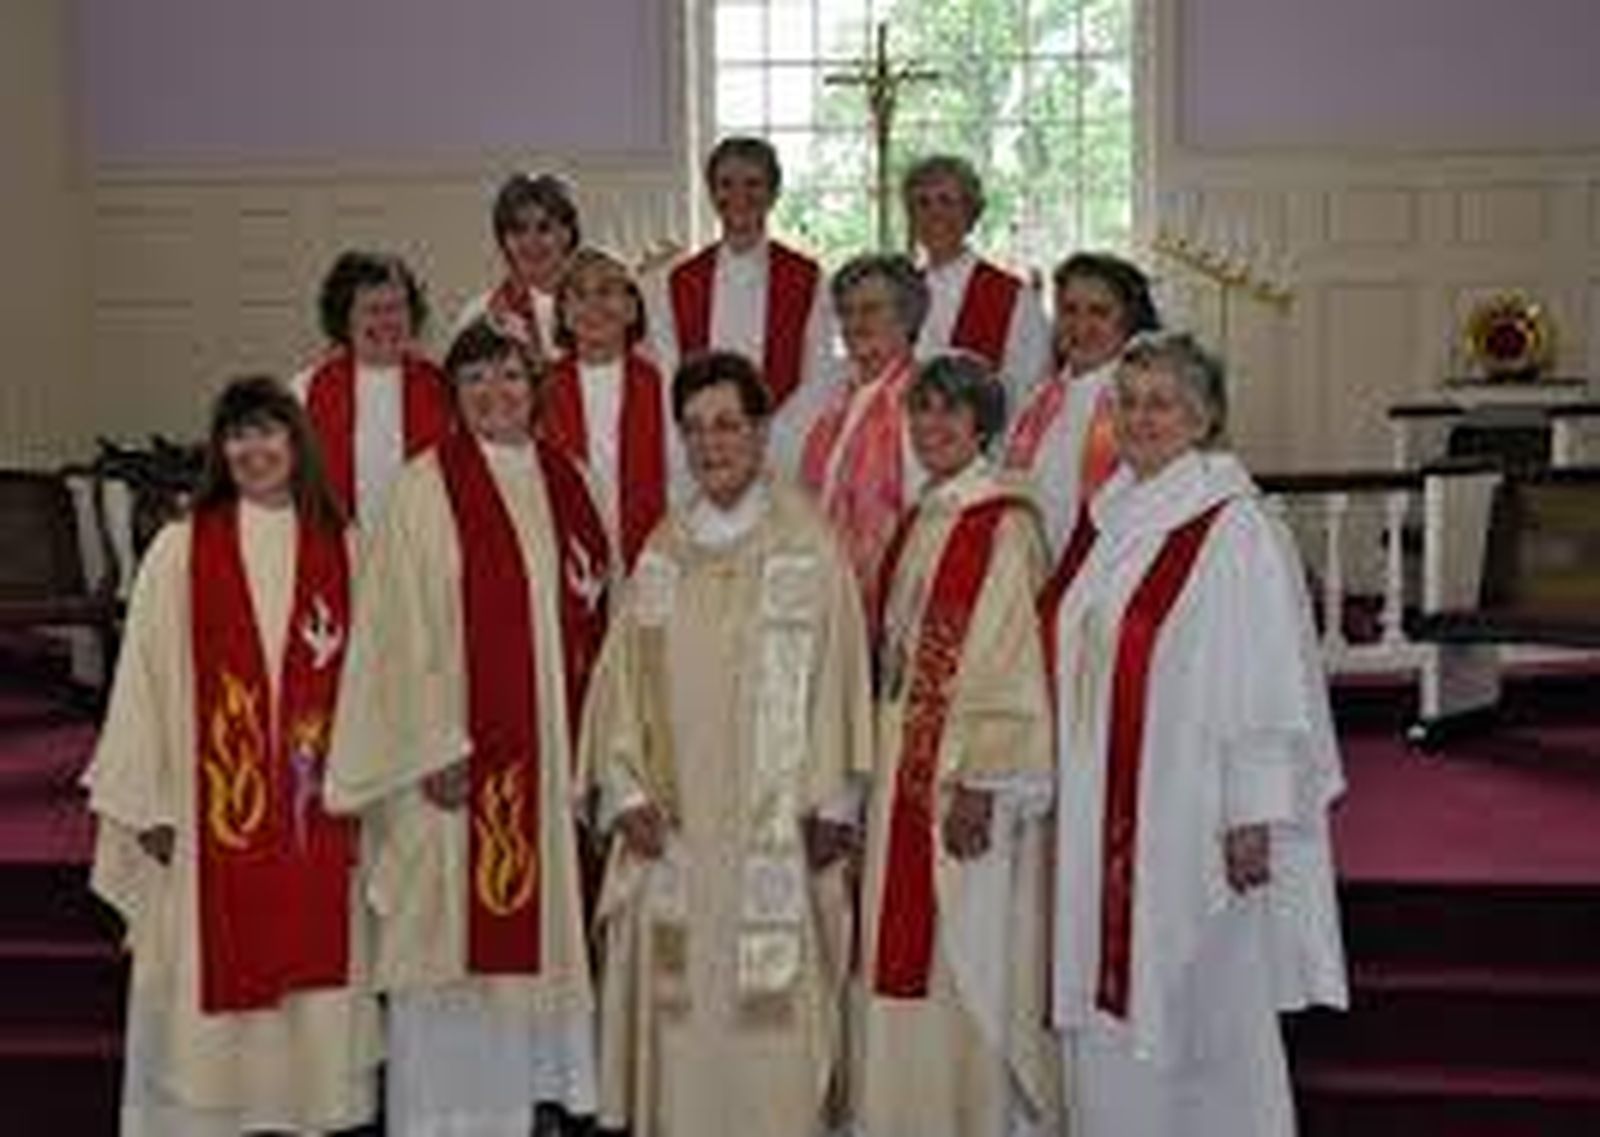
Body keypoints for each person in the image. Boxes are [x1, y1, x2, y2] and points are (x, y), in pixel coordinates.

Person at [1042, 332, 1347, 1137]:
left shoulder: (1234, 527)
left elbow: (1269, 675)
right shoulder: (1110, 516)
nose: (1140, 418)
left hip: (1192, 812)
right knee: (1107, 995)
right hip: (1101, 807)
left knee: (1200, 998)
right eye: (1128, 401)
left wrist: (1253, 810)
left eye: (1162, 403)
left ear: (1204, 417)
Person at [324, 320, 612, 1136]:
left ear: (535, 385)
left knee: (543, 925)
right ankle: (450, 1112)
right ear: (454, 393)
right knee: (450, 933)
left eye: (511, 375)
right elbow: (393, 631)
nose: (495, 392)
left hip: (551, 760)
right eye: (476, 378)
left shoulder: (573, 480)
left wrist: (598, 749)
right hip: (454, 761)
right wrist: (431, 744)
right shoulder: (423, 489)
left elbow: (607, 617)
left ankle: (532, 1099)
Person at [581, 349, 873, 1137]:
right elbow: (620, 689)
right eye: (695, 428)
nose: (710, 444)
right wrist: (626, 792)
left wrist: (837, 804)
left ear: (761, 430)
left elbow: (841, 676)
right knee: (685, 1018)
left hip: (776, 834)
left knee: (770, 1021)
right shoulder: (662, 550)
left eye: (727, 425)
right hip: (674, 831)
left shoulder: (809, 544)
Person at [82, 376, 380, 1135]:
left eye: (268, 431)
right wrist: (146, 800)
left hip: (316, 812)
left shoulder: (345, 548)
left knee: (314, 970)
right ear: (220, 450)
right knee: (206, 974)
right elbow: (142, 680)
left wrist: (366, 791)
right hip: (204, 814)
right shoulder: (181, 550)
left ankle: (305, 1109)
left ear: (297, 443)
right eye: (238, 434)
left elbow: (376, 681)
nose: (254, 449)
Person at [854, 353, 1059, 1137]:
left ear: (983, 425)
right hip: (904, 772)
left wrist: (985, 779)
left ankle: (968, 1114)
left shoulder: (1001, 525)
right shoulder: (924, 518)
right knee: (902, 950)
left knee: (964, 953)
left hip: (963, 784)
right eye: (922, 409)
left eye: (950, 410)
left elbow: (1015, 658)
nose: (932, 424)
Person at [645, 135, 834, 467]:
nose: (739, 196)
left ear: (773, 193)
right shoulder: (680, 280)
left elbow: (818, 374)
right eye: (726, 184)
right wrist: (696, 439)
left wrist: (772, 440)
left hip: (781, 448)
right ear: (711, 193)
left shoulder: (806, 277)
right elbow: (670, 375)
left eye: (753, 184)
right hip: (701, 447)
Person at [798, 253, 930, 613]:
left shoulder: (923, 401)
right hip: (829, 598)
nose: (854, 322)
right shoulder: (835, 402)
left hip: (895, 603)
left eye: (870, 309)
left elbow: (928, 522)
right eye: (846, 311)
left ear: (907, 316)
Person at [1004, 252, 1160, 555]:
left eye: (1099, 312)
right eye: (1069, 310)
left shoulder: (1143, 406)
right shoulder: (1038, 399)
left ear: (1131, 320)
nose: (1081, 326)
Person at [544, 246, 684, 570]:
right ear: (563, 312)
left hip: (652, 552)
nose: (593, 305)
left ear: (632, 308)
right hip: (567, 557)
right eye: (579, 295)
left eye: (607, 291)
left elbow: (681, 476)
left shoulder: (663, 385)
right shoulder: (542, 389)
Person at [293, 250, 454, 524]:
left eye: (397, 308)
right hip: (337, 540)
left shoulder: (443, 386)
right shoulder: (305, 388)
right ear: (345, 318)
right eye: (372, 310)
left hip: (425, 540)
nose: (387, 321)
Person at [903, 155, 1050, 411]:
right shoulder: (900, 292)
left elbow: (1032, 389)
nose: (934, 214)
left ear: (971, 213)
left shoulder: (1012, 296)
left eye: (946, 201)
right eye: (922, 203)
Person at [456, 172, 583, 357]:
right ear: (504, 240)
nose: (531, 241)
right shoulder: (479, 313)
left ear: (567, 234)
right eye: (519, 230)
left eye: (544, 228)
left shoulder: (595, 309)